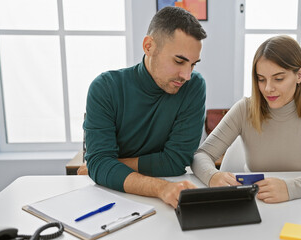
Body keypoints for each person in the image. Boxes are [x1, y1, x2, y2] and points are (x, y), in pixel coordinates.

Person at [192, 35, 301, 203]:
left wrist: (290, 188)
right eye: (261, 79)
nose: (268, 88)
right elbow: (201, 155)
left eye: (278, 79)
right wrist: (213, 176)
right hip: (255, 203)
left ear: (299, 75)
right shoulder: (244, 109)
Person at [82, 6, 207, 208]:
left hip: (167, 199)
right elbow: (99, 165)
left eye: (193, 64)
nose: (186, 75)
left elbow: (176, 161)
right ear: (149, 46)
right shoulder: (105, 88)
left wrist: (109, 166)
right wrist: (160, 188)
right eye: (179, 61)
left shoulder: (193, 87)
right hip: (109, 197)